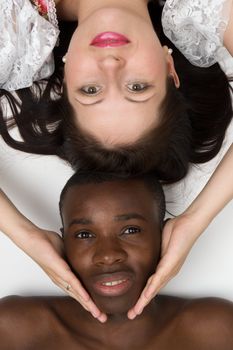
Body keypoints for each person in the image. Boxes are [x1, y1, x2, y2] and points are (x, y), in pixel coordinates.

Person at [0, 0, 233, 322]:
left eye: (91, 90)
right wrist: (196, 219)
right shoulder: (203, 7)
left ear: (67, 77)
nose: (110, 64)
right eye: (137, 87)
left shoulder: (12, 27)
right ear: (169, 70)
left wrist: (23, 233)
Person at [0, 171, 233, 350]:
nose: (108, 255)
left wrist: (195, 220)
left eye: (130, 230)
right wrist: (26, 235)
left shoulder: (213, 329)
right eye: (84, 235)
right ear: (63, 243)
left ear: (165, 236)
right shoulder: (15, 327)